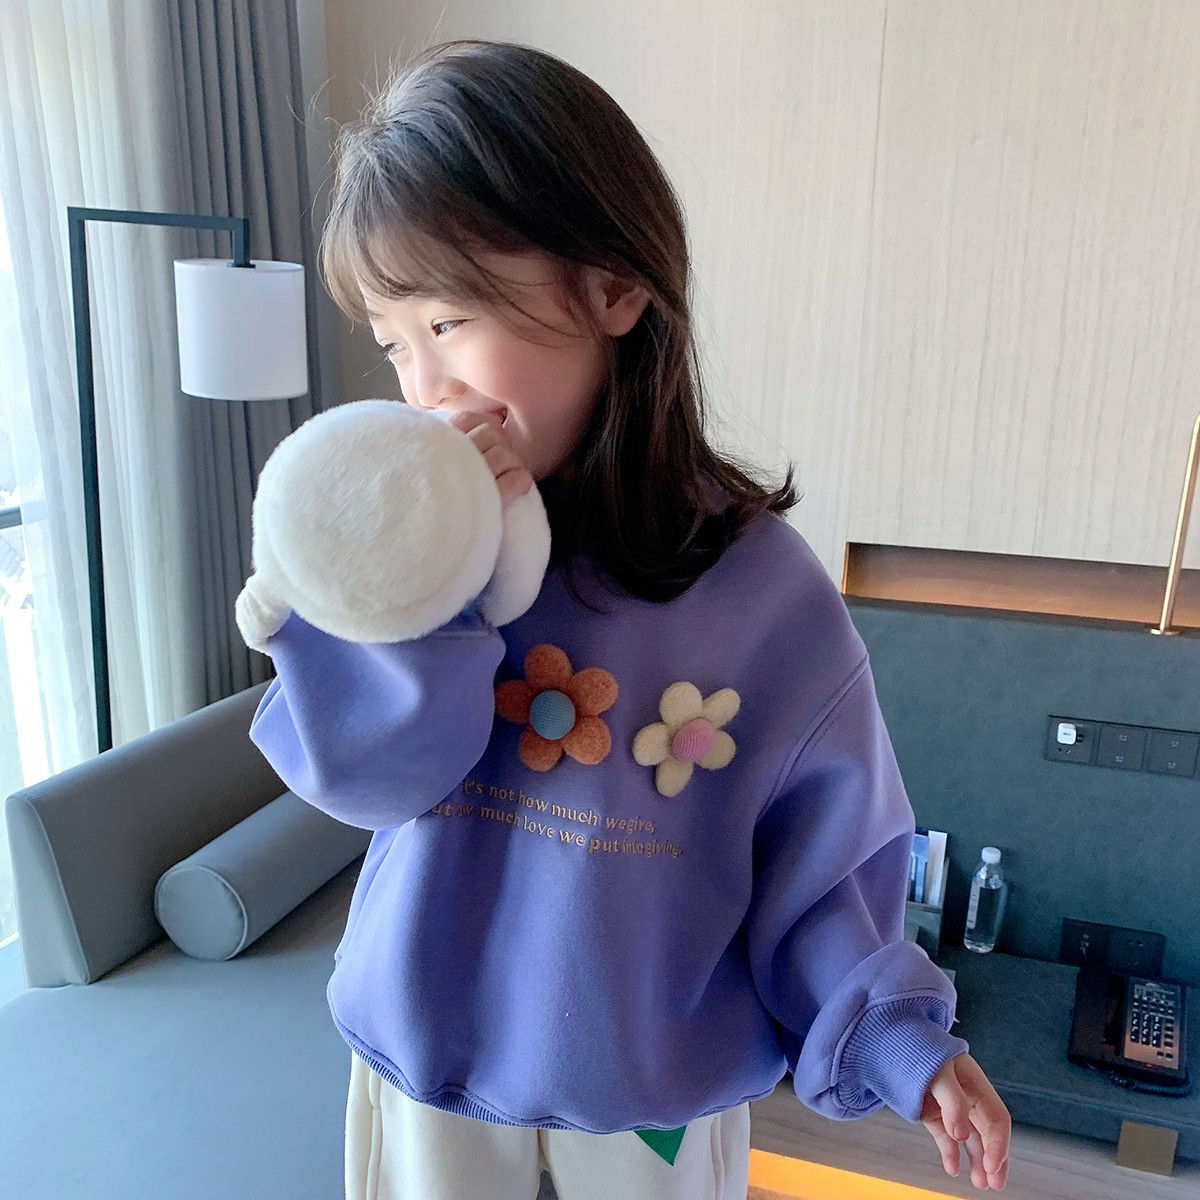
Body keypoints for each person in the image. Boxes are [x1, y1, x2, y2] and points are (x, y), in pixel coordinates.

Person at [245, 38, 1011, 1200]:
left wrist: (905, 1041)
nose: (423, 388)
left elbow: (823, 868)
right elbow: (368, 772)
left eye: (448, 323)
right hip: (426, 1084)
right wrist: (442, 591)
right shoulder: (417, 551)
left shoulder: (761, 591)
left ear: (612, 287)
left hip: (658, 1106)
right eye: (394, 344)